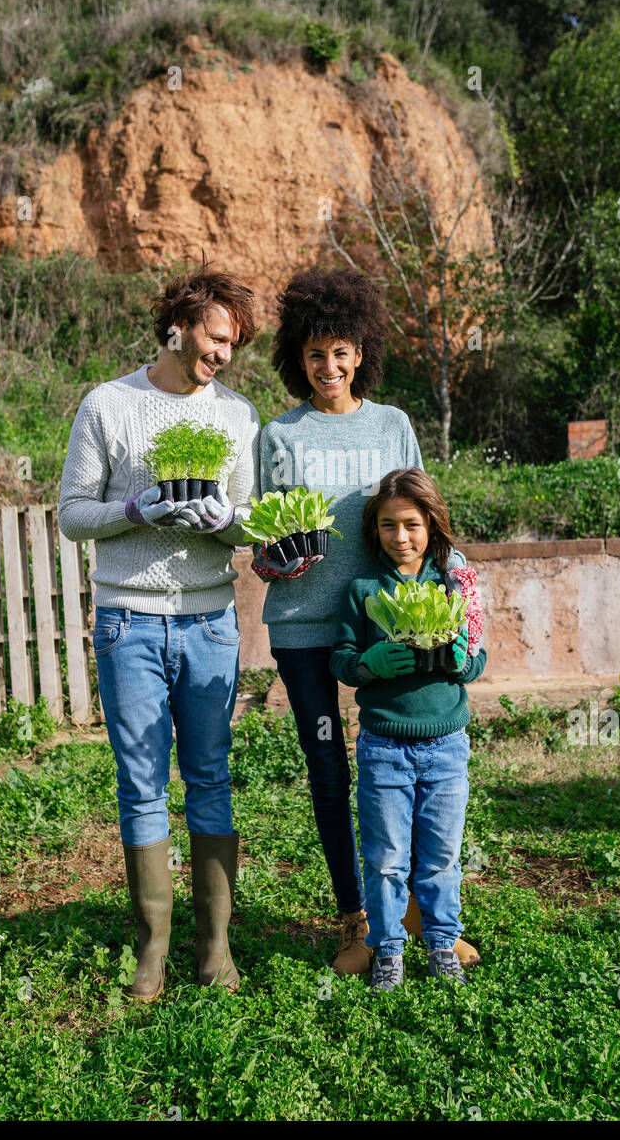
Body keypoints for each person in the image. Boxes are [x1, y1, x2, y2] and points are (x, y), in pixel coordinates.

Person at [251, 267, 478, 974]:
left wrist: (459, 576)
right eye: (315, 353)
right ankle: (355, 919)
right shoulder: (278, 435)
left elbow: (420, 510)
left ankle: (413, 911)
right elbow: (265, 540)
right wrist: (275, 562)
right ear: (297, 356)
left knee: (403, 759)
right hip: (305, 626)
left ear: (361, 353)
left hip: (392, 624)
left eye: (341, 351)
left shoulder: (393, 424)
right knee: (330, 766)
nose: (329, 367)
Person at [58, 268, 260, 1000]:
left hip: (208, 622)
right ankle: (153, 949)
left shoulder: (238, 415)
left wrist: (227, 525)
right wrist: (135, 510)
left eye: (233, 343)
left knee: (208, 776)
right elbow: (73, 513)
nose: (223, 355)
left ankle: (214, 948)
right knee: (141, 782)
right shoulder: (109, 404)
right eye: (215, 337)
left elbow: (250, 520)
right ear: (177, 326)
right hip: (128, 621)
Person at [329, 467, 487, 991]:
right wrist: (370, 662)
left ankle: (442, 940)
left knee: (441, 855)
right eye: (390, 526)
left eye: (413, 525)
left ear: (432, 525)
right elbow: (343, 662)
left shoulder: (456, 583)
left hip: (446, 744)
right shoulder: (362, 591)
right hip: (383, 746)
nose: (402, 537)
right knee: (386, 857)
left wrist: (461, 658)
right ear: (375, 530)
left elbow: (477, 659)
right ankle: (388, 947)